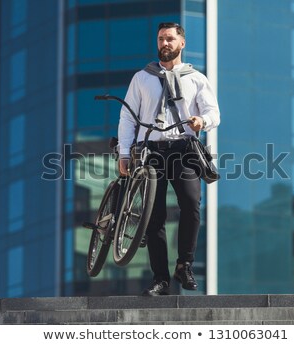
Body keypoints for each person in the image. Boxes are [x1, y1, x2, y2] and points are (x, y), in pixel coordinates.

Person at [118, 22, 220, 296]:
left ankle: (184, 265)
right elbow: (128, 116)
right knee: (154, 216)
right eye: (161, 39)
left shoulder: (197, 79)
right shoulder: (142, 78)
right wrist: (124, 153)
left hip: (183, 149)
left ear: (181, 43)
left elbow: (215, 114)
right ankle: (160, 278)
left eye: (170, 39)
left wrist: (202, 120)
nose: (164, 43)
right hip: (150, 151)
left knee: (191, 204)